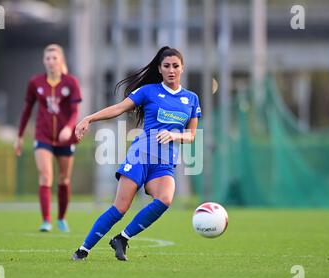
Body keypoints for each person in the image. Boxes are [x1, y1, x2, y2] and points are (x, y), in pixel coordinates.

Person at [72, 46, 201, 261]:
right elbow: (119, 108)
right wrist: (89, 119)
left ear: (182, 68)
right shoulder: (148, 91)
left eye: (175, 66)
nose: (171, 70)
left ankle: (122, 238)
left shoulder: (191, 99)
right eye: (167, 66)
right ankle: (83, 250)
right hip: (140, 155)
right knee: (120, 208)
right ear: (159, 69)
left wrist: (175, 135)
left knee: (165, 199)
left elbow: (191, 136)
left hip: (164, 161)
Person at [14, 44, 82, 233]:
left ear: (61, 61)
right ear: (44, 61)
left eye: (54, 58)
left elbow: (76, 111)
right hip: (42, 136)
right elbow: (27, 110)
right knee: (45, 176)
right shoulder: (36, 82)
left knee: (64, 179)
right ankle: (46, 220)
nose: (51, 62)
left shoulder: (71, 83)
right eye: (48, 58)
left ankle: (61, 218)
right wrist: (19, 136)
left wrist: (69, 128)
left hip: (65, 139)